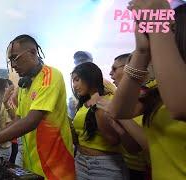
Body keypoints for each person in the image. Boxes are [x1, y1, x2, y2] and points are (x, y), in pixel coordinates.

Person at [0, 34, 75, 179]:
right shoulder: (24, 85)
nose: (13, 65)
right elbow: (19, 119)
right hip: (31, 166)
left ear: (33, 52)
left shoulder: (51, 75)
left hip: (55, 169)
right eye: (10, 61)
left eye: (15, 58)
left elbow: (31, 121)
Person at [100, 2, 186, 179]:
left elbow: (180, 106)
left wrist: (158, 23)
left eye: (171, 30)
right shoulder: (157, 89)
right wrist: (141, 51)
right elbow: (119, 110)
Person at [71, 62, 131, 180]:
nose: (74, 85)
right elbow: (80, 136)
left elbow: (113, 140)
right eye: (73, 81)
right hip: (80, 161)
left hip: (104, 165)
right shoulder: (83, 104)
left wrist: (98, 110)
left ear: (90, 77)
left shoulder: (108, 101)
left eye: (77, 80)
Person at [109, 53, 148, 180]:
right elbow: (131, 148)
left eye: (114, 69)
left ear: (131, 67)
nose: (110, 74)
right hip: (126, 166)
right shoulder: (120, 100)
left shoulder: (149, 97)